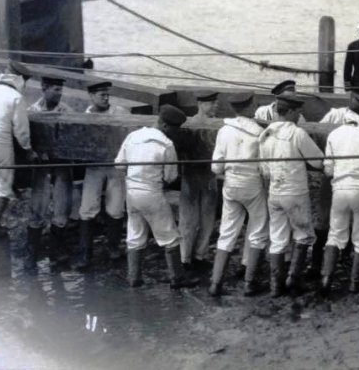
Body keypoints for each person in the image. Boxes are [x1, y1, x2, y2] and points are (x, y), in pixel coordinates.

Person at [115, 105, 198, 289]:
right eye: (175, 129)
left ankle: (134, 278)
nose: (175, 133)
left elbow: (119, 165)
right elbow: (171, 176)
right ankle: (177, 278)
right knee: (169, 236)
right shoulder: (166, 144)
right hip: (151, 192)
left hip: (131, 191)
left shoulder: (133, 136)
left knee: (135, 234)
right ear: (166, 126)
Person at [259, 92, 323, 297]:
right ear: (292, 111)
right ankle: (293, 280)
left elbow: (264, 169)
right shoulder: (297, 133)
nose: (299, 116)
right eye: (298, 112)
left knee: (277, 237)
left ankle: (275, 286)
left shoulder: (266, 133)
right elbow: (318, 161)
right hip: (295, 192)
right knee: (304, 235)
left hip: (274, 191)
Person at [209, 92, 268, 297]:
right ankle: (249, 282)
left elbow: (216, 167)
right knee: (258, 230)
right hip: (252, 184)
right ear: (251, 107)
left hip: (231, 183)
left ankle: (216, 282)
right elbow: (264, 168)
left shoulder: (224, 131)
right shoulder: (259, 133)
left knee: (227, 232)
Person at [320, 94, 359, 294]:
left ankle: (327, 279)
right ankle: (355, 281)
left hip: (339, 189)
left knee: (335, 234)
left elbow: (328, 169)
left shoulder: (335, 134)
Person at [0, 60, 39, 239]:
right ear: (20, 80)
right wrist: (27, 149)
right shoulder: (15, 97)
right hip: (0, 146)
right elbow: (21, 130)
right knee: (3, 187)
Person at [77, 81, 130, 270]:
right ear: (91, 96)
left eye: (107, 94)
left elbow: (128, 136)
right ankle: (85, 253)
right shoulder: (86, 116)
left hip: (115, 167)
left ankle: (113, 247)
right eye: (101, 95)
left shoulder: (121, 113)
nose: (106, 98)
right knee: (88, 207)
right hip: (95, 167)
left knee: (116, 207)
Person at [26, 76, 74, 270]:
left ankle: (57, 252)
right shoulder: (31, 112)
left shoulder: (67, 112)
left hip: (62, 165)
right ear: (44, 88)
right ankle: (32, 254)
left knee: (62, 209)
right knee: (37, 208)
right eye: (56, 89)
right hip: (42, 167)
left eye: (61, 89)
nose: (60, 93)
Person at [178, 90, 219, 273]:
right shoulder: (188, 124)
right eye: (211, 103)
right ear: (201, 105)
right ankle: (184, 258)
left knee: (208, 218)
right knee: (188, 219)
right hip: (191, 174)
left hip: (210, 175)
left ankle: (200, 255)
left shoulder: (218, 125)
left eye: (215, 103)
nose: (214, 106)